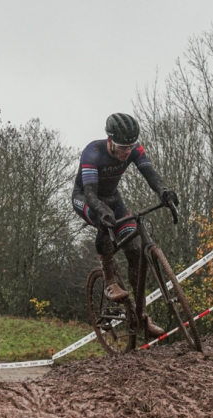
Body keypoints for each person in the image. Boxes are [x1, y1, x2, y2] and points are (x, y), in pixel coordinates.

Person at [71, 113, 179, 337]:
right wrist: (101, 213)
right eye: (121, 147)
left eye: (130, 146)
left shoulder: (134, 150)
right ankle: (109, 279)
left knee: (134, 250)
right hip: (86, 199)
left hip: (113, 198)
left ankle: (141, 316)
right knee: (104, 221)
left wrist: (164, 191)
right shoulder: (92, 153)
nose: (126, 152)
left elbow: (150, 174)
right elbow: (90, 193)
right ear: (109, 140)